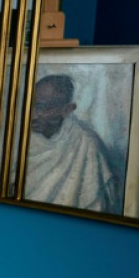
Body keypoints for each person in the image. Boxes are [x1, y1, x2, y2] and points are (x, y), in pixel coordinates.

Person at [24, 74, 120, 213]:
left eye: (42, 107)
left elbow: (96, 204)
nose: (33, 115)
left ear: (67, 110)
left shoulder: (86, 143)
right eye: (30, 105)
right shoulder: (21, 136)